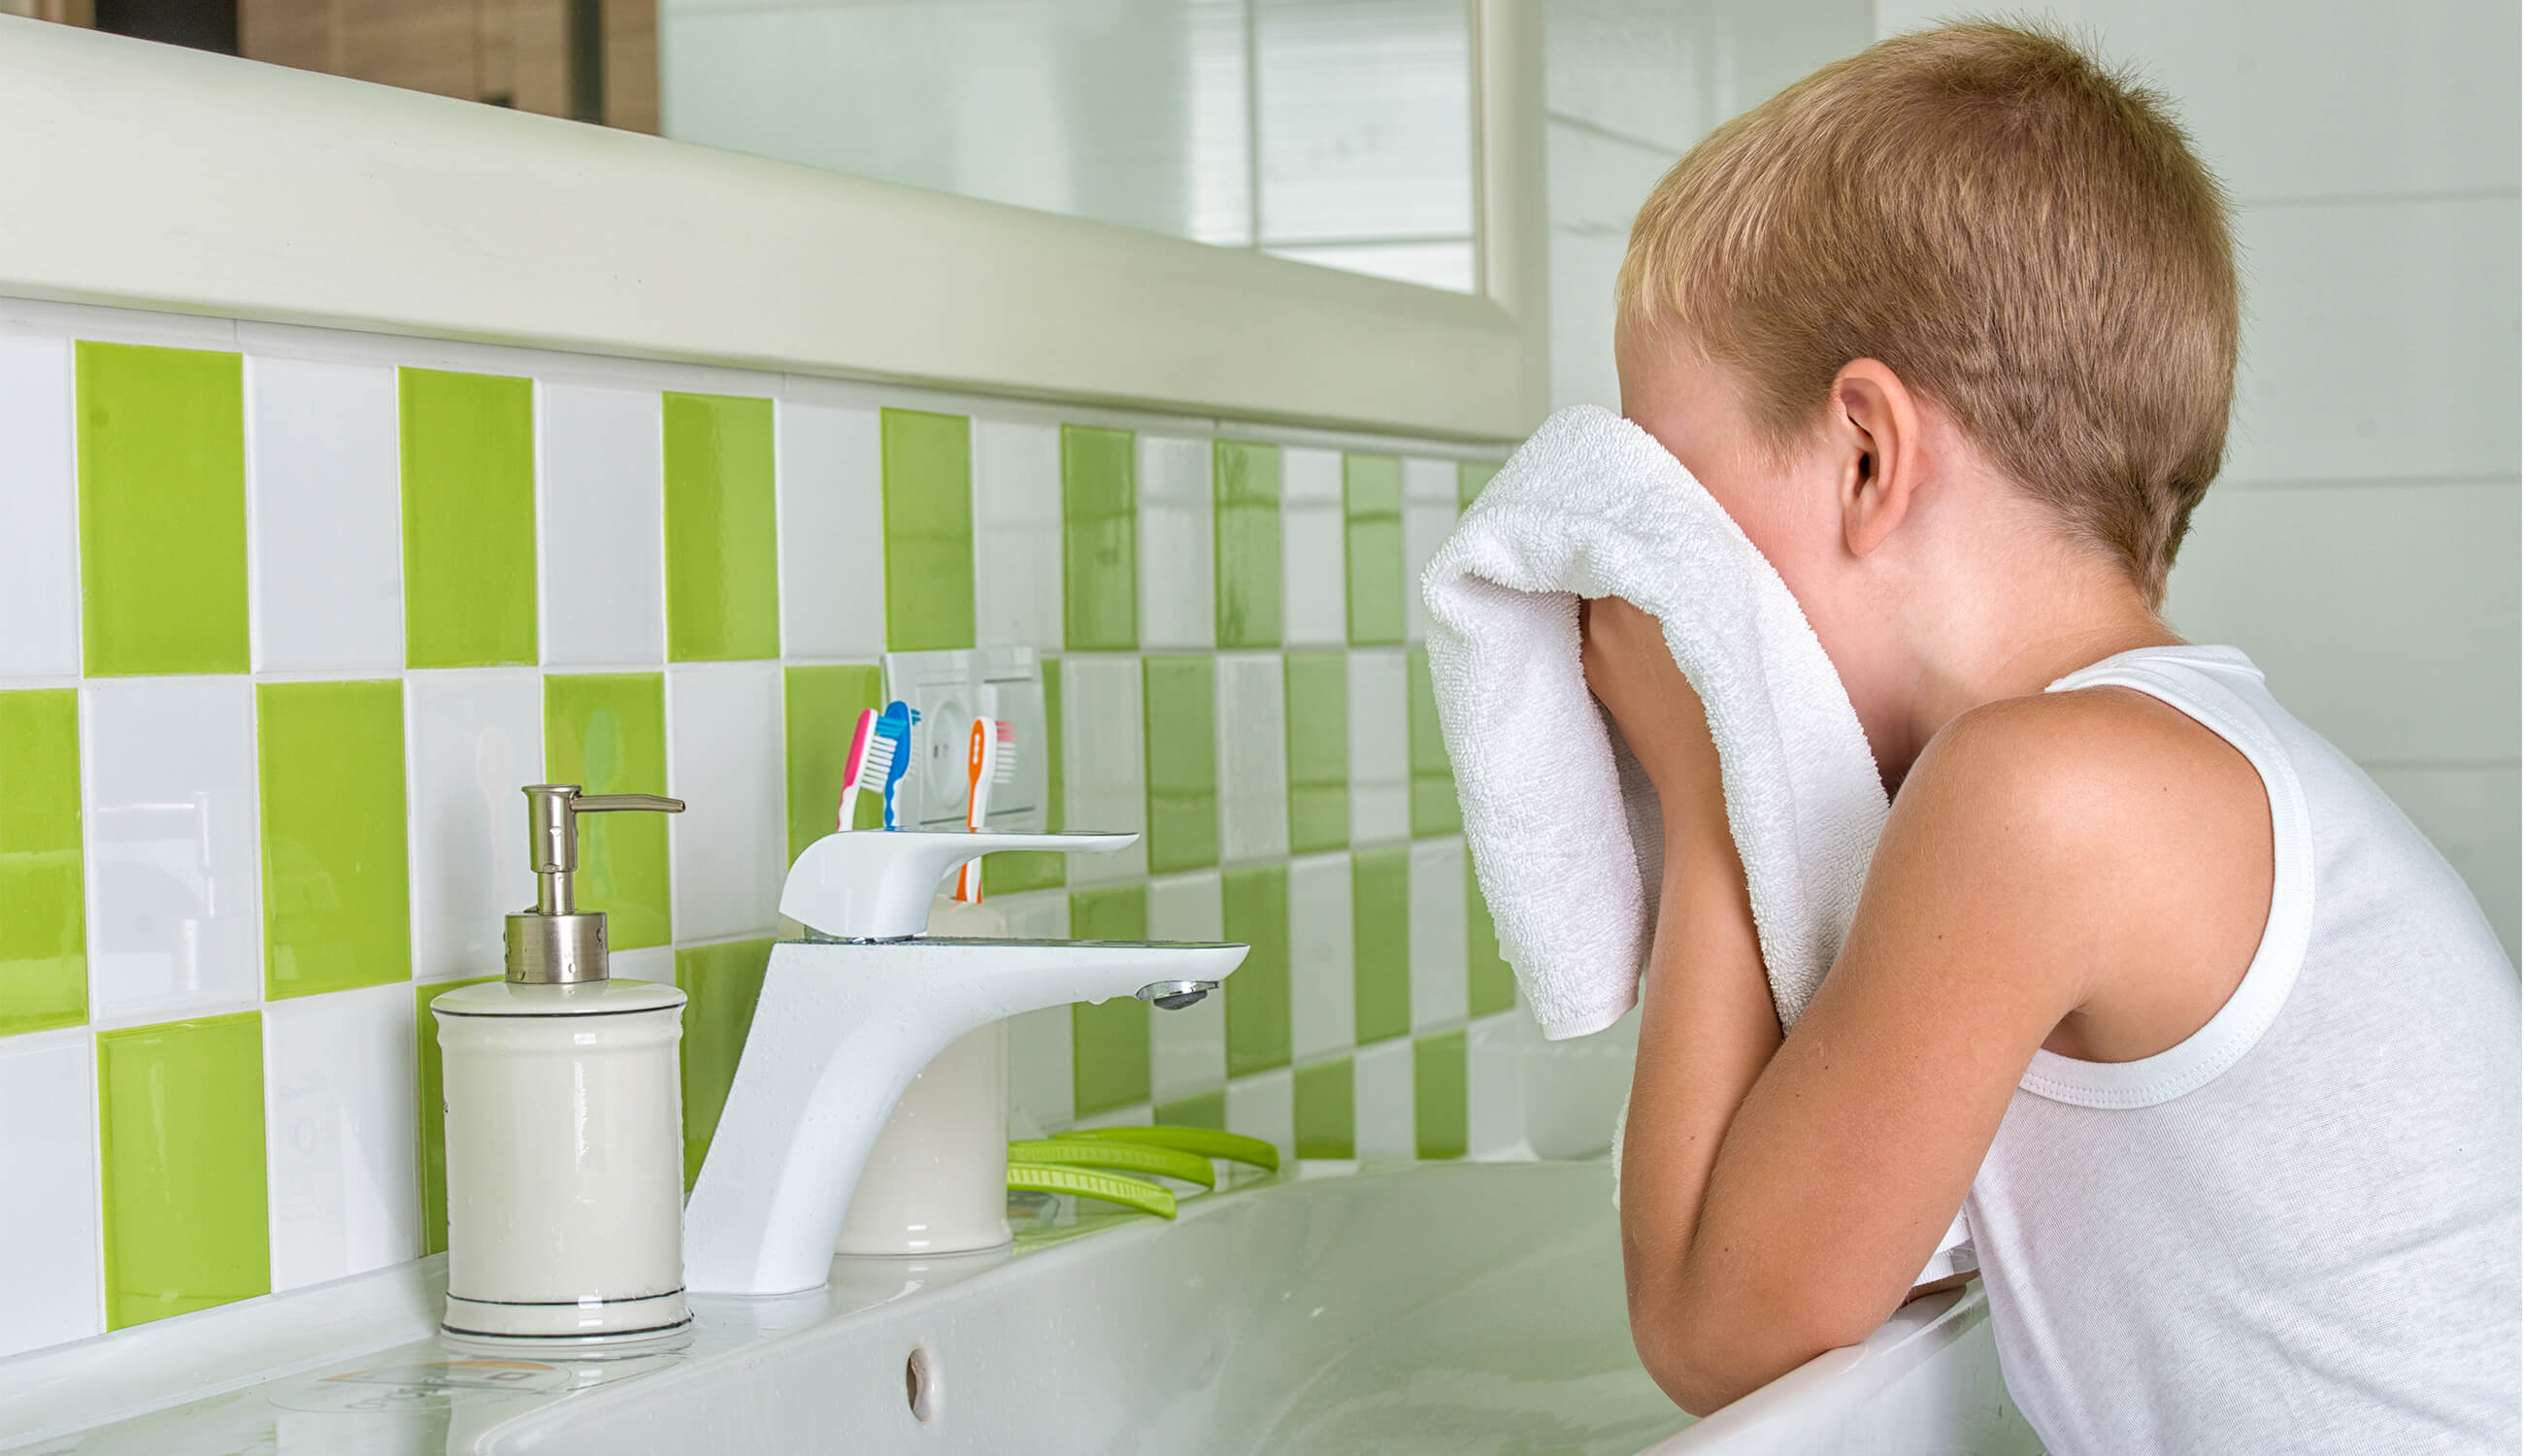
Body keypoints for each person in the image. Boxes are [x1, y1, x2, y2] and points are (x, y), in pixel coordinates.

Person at [1580, 21, 2520, 1453]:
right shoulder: (2151, 767)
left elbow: (1722, 1335)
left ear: (1867, 456)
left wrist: (1704, 788)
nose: (1646, 570)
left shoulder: (2043, 793)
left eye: (1674, 502)